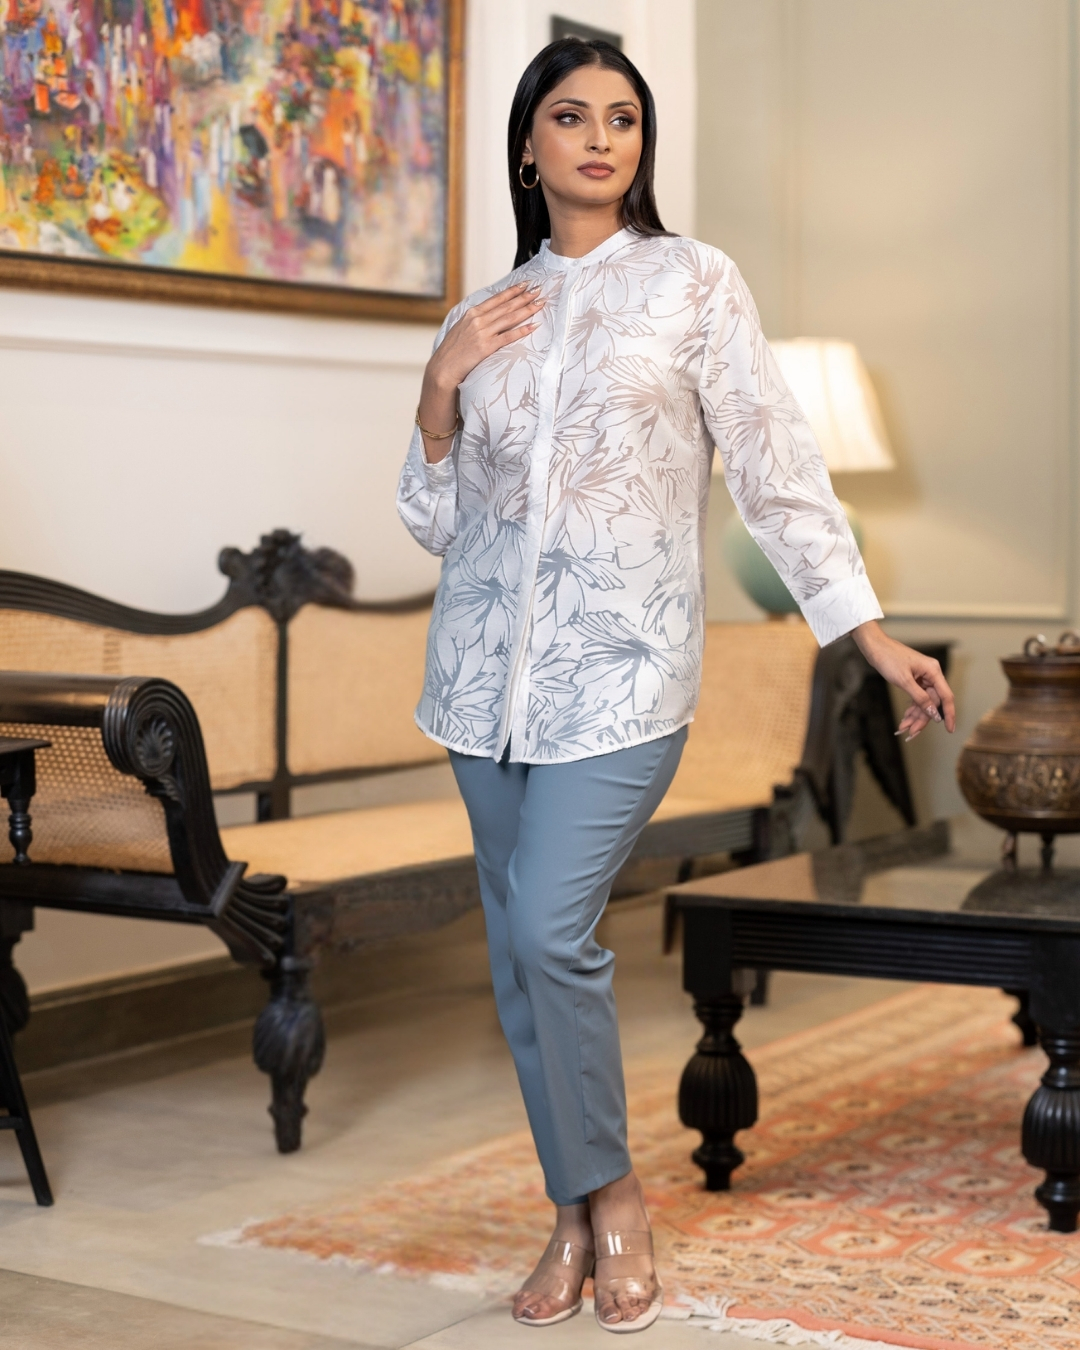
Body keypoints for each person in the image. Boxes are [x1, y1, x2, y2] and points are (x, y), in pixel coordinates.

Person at [396, 36, 955, 1335]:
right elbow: (434, 521)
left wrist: (867, 632)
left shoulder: (696, 282)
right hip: (478, 683)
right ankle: (571, 1209)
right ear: (528, 145)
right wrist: (439, 383)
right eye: (572, 116)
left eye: (624, 118)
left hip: (625, 675)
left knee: (551, 931)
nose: (601, 138)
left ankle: (617, 1198)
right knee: (519, 960)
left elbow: (775, 467)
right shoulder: (482, 312)